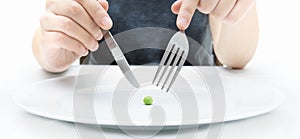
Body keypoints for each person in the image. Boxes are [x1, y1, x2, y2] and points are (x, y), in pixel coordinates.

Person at [32, 0, 259, 73]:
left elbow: (236, 56)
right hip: (95, 107)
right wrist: (52, 51)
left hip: (202, 107)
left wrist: (235, 8)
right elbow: (47, 37)